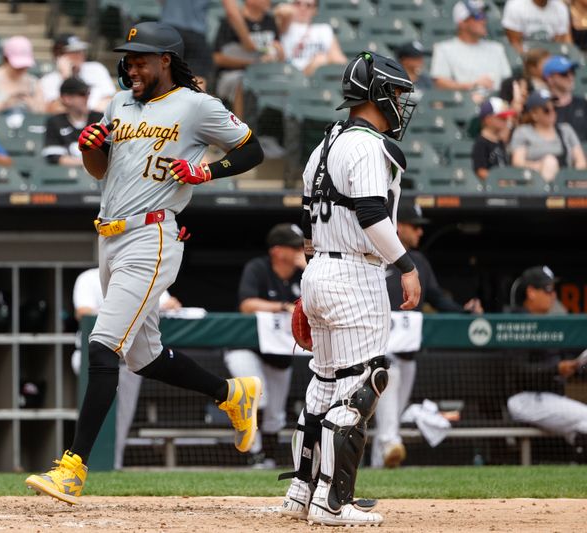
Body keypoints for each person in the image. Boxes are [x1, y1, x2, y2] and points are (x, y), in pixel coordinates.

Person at [25, 22, 266, 505]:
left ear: (166, 62)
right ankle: (232, 394)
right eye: (128, 59)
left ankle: (73, 468)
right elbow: (103, 171)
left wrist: (206, 171)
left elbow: (251, 149)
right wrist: (90, 149)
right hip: (110, 235)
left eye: (141, 59)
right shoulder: (118, 104)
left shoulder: (196, 105)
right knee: (144, 356)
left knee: (102, 347)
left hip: (153, 234)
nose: (131, 66)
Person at [279, 51, 421, 526]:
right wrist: (406, 264)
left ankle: (302, 492)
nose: (401, 102)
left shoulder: (325, 144)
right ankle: (331, 503)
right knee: (363, 384)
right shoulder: (363, 144)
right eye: (397, 93)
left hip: (320, 267)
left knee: (322, 387)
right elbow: (371, 215)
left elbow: (305, 224)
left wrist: (313, 284)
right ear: (379, 93)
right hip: (356, 273)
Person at [370, 201, 483, 469]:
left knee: (392, 414)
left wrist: (463, 312)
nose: (420, 233)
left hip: (408, 351)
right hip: (379, 347)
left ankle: (378, 466)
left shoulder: (418, 261)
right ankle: (388, 443)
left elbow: (435, 296)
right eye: (415, 227)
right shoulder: (377, 253)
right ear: (398, 226)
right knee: (390, 377)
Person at [71, 267, 181, 470]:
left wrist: (167, 306)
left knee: (122, 418)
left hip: (130, 361)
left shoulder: (145, 272)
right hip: (92, 359)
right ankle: (86, 463)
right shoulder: (89, 277)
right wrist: (125, 315)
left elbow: (170, 304)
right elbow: (83, 312)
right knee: (96, 411)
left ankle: (112, 466)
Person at [225, 223, 306, 468]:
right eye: (295, 247)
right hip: (246, 347)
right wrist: (282, 307)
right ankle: (254, 456)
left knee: (275, 414)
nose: (300, 251)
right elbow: (247, 305)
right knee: (257, 398)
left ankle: (267, 459)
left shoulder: (305, 274)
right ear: (277, 251)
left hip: (279, 353)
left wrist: (309, 268)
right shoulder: (258, 268)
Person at [506, 266, 587, 453]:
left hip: (547, 398)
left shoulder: (545, 322)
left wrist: (573, 366)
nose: (553, 296)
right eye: (548, 290)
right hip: (523, 399)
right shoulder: (517, 323)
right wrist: (556, 369)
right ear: (531, 292)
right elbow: (517, 371)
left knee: (581, 428)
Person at [160, 0, 258, 88]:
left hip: (168, 31)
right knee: (196, 85)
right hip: (195, 33)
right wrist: (248, 42)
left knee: (165, 80)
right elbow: (231, 11)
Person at [213, 0, 284, 117]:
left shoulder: (270, 21)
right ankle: (243, 131)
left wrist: (280, 52)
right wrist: (252, 63)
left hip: (265, 75)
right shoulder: (231, 21)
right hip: (233, 75)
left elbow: (280, 57)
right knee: (243, 81)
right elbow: (217, 58)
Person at [429, 0, 511, 96]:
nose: (483, 20)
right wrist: (473, 85)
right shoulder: (444, 49)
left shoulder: (497, 48)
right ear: (462, 22)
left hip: (499, 105)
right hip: (465, 105)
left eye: (484, 15)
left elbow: (507, 82)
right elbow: (440, 84)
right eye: (478, 16)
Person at [509, 89, 586, 182]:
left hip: (566, 182)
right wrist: (541, 166)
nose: (552, 112)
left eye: (555, 108)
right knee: (550, 162)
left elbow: (580, 160)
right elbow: (518, 162)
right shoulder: (523, 132)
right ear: (534, 114)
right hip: (534, 183)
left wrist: (573, 178)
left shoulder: (566, 129)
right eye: (546, 110)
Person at [39, 34, 116, 114]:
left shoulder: (96, 68)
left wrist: (90, 115)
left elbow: (109, 100)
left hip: (98, 121)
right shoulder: (48, 80)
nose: (80, 55)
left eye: (81, 50)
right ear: (60, 56)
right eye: (74, 52)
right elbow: (54, 110)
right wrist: (67, 78)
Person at [0, 35, 45, 114]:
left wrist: (30, 104)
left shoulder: (33, 83)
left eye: (24, 65)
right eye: (18, 65)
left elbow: (43, 110)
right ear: (6, 59)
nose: (21, 68)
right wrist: (3, 105)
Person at [273, 0, 346, 76]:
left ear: (315, 10)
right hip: (288, 74)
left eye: (308, 5)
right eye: (298, 3)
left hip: (316, 74)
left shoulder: (323, 29)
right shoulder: (284, 26)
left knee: (322, 60)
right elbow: (281, 14)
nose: (302, 8)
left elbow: (338, 58)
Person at [42, 77, 103, 166]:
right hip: (67, 177)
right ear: (67, 98)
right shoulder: (55, 122)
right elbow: (55, 157)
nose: (87, 97)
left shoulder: (100, 119)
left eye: (88, 93)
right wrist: (88, 164)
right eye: (82, 94)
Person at [543, 55, 587, 140]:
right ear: (550, 79)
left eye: (573, 72)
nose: (571, 77)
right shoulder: (543, 108)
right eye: (564, 74)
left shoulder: (583, 103)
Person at [472, 96, 517, 180]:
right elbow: (481, 171)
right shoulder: (481, 142)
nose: (506, 121)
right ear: (488, 119)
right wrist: (498, 180)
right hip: (491, 188)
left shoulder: (500, 141)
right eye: (502, 118)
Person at [502, 0, 571, 54]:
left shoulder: (561, 7)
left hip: (551, 57)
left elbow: (558, 44)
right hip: (525, 57)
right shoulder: (515, 5)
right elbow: (515, 43)